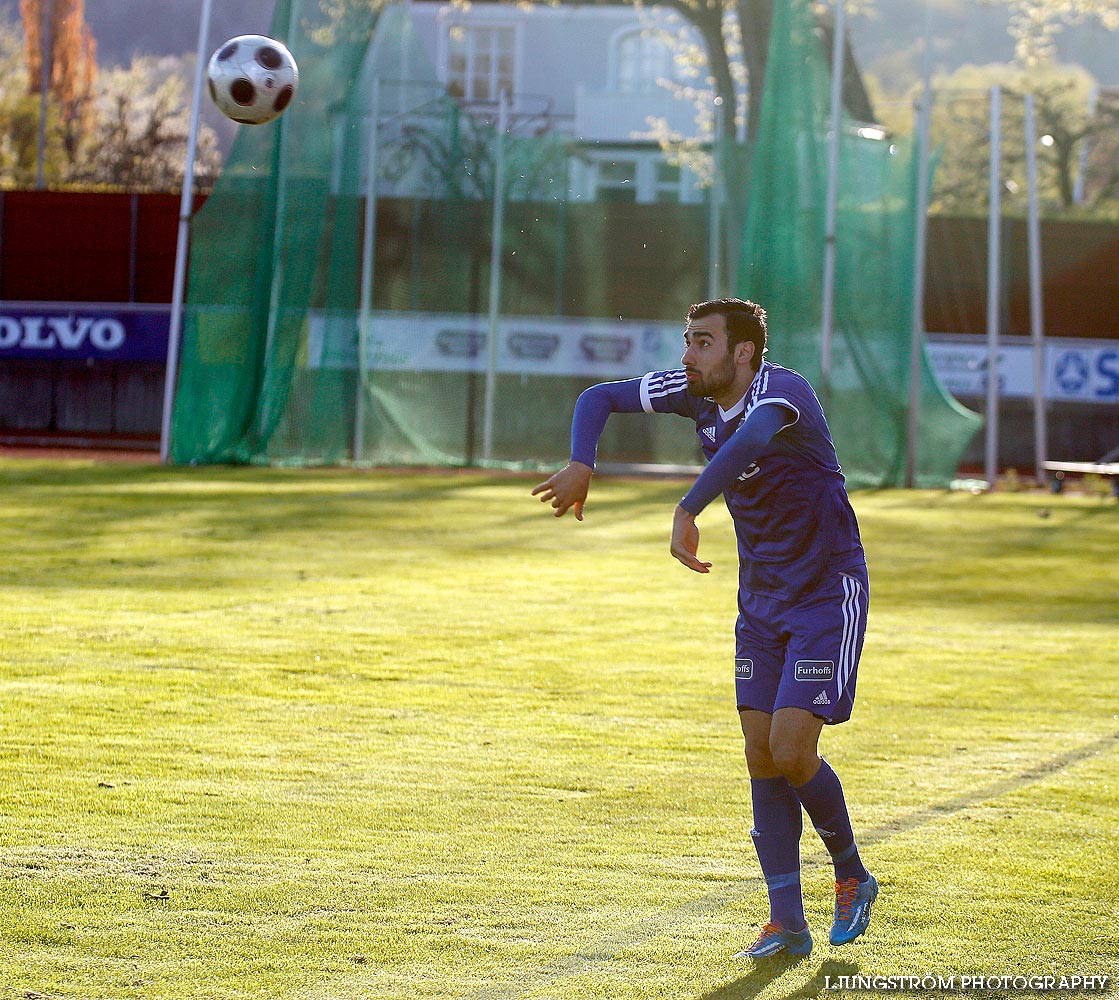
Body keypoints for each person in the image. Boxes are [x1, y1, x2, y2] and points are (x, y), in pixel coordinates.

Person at [532, 298, 877, 959]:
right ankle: (786, 924)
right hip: (761, 603)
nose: (687, 356)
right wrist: (582, 461)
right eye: (687, 341)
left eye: (702, 343)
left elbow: (748, 441)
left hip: (825, 595)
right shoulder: (693, 391)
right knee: (758, 754)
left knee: (792, 749)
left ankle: (851, 873)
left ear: (742, 352)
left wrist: (687, 507)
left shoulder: (781, 391)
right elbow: (599, 397)